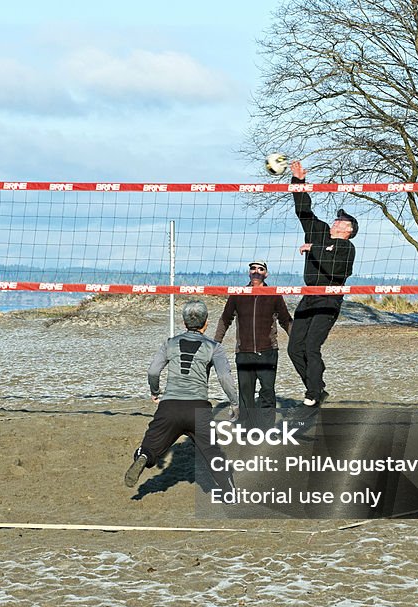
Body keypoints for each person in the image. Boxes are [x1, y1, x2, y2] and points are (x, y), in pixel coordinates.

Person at [125, 300, 240, 490]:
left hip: (170, 406)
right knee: (213, 454)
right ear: (206, 323)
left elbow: (153, 371)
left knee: (150, 446)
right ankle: (229, 492)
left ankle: (143, 456)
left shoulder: (170, 343)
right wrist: (234, 403)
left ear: (184, 322)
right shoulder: (214, 347)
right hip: (198, 408)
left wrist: (155, 392)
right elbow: (224, 378)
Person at [287, 159, 358, 407]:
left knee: (311, 346)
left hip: (329, 298)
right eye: (337, 219)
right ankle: (316, 387)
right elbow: (303, 210)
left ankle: (314, 392)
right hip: (309, 296)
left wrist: (313, 249)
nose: (337, 222)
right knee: (294, 348)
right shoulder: (319, 232)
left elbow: (334, 270)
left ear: (349, 231)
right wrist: (298, 181)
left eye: (343, 222)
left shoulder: (347, 248)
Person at [213, 260, 293, 415]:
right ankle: (247, 429)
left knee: (268, 392)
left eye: (260, 269)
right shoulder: (238, 294)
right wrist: (215, 342)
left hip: (268, 352)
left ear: (266, 274)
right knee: (246, 395)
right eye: (253, 269)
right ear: (249, 272)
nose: (256, 271)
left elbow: (285, 320)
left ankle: (265, 429)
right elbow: (225, 319)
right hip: (244, 353)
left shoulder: (274, 294)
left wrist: (298, 341)